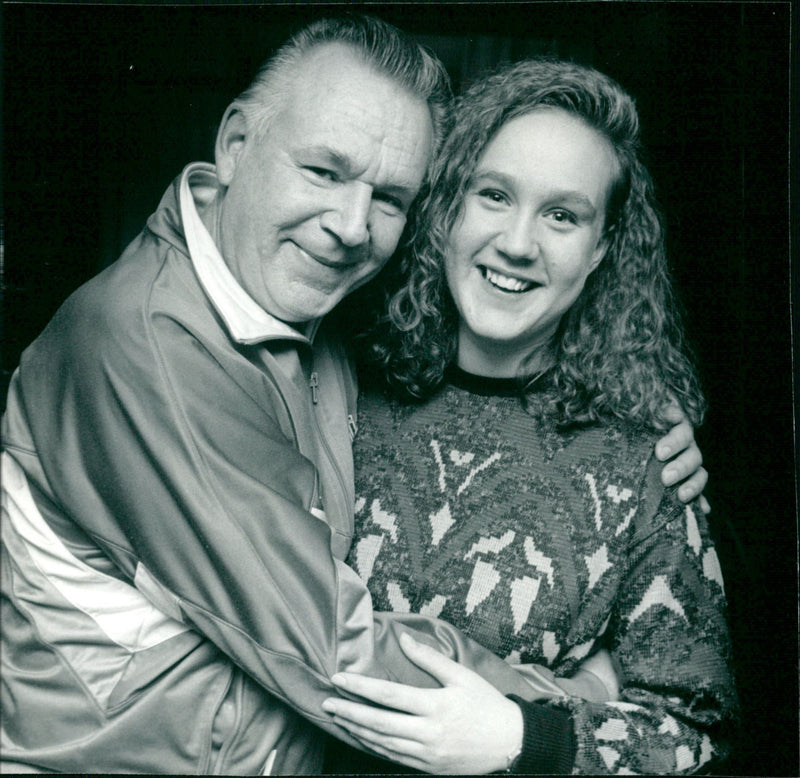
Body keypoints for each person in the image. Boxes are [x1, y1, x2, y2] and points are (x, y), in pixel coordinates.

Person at [1, 15, 708, 775]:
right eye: (324, 171)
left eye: (390, 198)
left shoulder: (327, 316)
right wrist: (558, 707)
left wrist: (642, 407)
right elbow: (332, 648)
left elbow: (694, 718)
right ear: (236, 145)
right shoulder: (139, 341)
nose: (348, 226)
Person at [320, 58, 737, 774]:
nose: (517, 243)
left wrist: (526, 738)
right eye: (493, 195)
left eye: (562, 215)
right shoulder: (335, 374)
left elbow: (693, 733)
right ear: (445, 206)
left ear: (601, 247)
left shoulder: (644, 460)